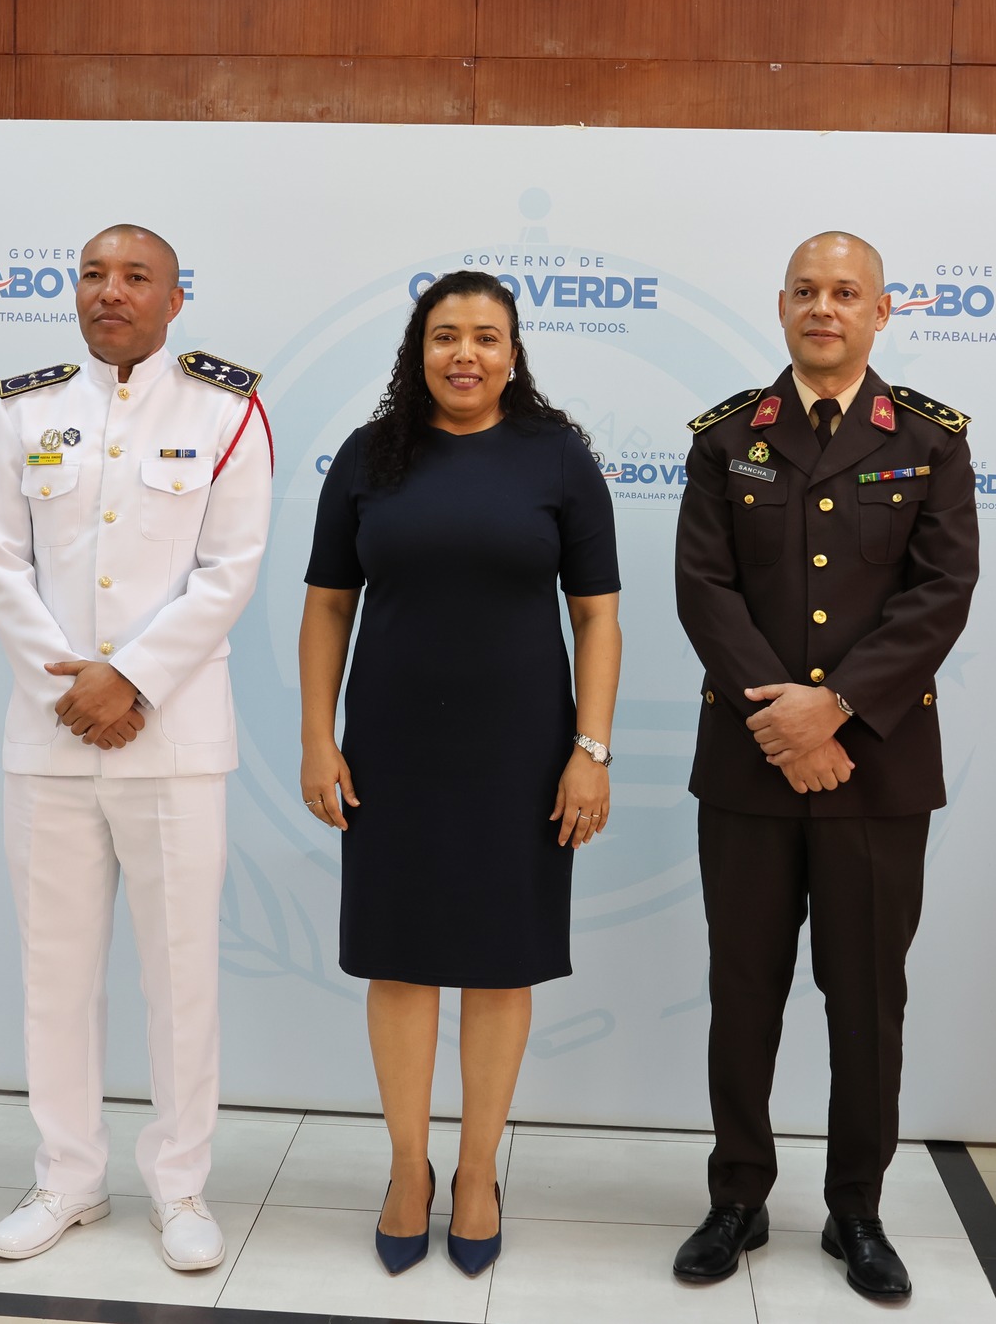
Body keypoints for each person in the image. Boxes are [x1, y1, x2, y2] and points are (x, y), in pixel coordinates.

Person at [670, 232, 978, 1299]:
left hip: (876, 771)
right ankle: (736, 1197)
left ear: (880, 311)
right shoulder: (727, 438)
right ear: (781, 305)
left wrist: (834, 711)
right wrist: (785, 722)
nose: (824, 307)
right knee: (743, 991)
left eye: (847, 292)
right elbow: (704, 588)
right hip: (749, 768)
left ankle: (857, 1210)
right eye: (806, 290)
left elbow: (940, 592)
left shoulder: (929, 440)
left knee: (867, 1002)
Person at [298, 270, 621, 1277]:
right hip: (391, 749)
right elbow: (327, 605)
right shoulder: (370, 455)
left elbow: (597, 617)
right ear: (419, 350)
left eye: (486, 336)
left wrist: (590, 750)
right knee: (397, 959)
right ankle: (409, 1168)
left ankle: (477, 1171)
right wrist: (316, 737)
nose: (465, 354)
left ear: (514, 354)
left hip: (522, 750)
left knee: (498, 961)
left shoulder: (557, 457)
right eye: (445, 336)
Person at [0, 223, 271, 1270]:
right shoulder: (24, 409)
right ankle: (68, 1177)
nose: (111, 292)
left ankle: (179, 1186)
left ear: (174, 299)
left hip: (173, 739)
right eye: (94, 275)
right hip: (49, 735)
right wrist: (76, 688)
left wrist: (130, 680)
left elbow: (230, 569)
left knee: (181, 975)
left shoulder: (225, 409)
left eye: (136, 277)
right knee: (54, 972)